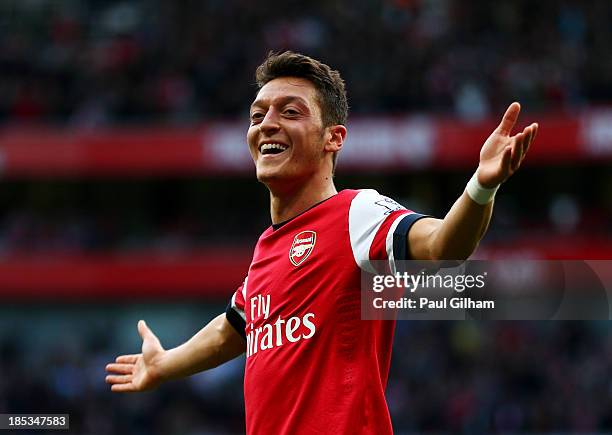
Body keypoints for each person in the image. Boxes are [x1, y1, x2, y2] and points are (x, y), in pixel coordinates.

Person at [105, 51, 538, 434]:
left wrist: (481, 187)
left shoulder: (357, 214)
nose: (267, 124)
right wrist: (165, 363)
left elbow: (444, 246)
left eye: (290, 112)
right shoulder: (267, 249)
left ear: (334, 138)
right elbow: (235, 326)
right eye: (258, 116)